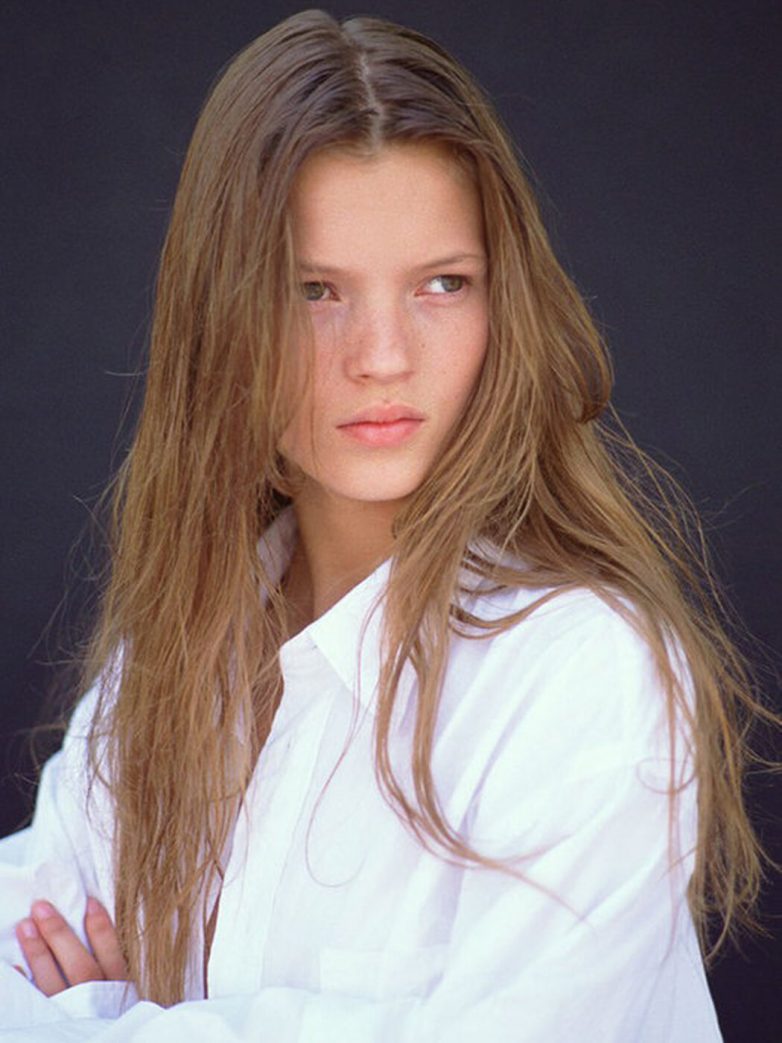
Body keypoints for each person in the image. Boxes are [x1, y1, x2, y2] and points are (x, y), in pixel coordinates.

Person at [0, 9, 771, 1041]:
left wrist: (109, 1015)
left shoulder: (580, 673)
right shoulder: (166, 665)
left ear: (504, 304)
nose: (382, 356)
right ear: (221, 316)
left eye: (441, 284)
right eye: (314, 290)